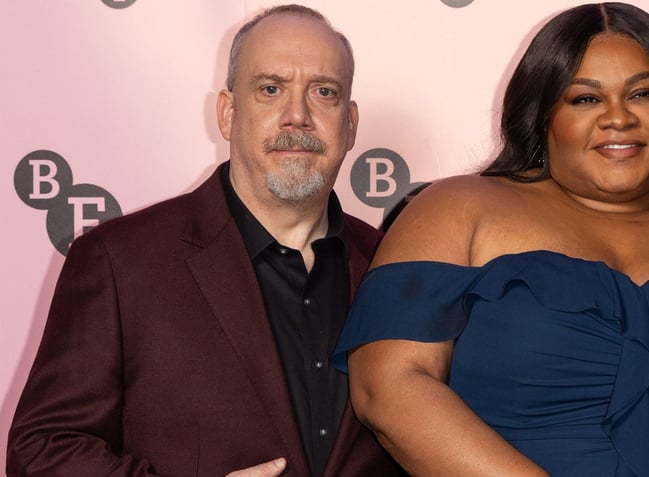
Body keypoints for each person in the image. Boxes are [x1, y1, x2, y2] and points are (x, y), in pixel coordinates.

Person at [333, 3, 649, 476]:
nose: (618, 117)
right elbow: (390, 386)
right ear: (544, 115)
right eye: (585, 98)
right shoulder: (455, 211)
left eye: (643, 93)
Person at [7, 5, 404, 477]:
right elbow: (41, 452)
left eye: (323, 92)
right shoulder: (118, 262)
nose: (297, 115)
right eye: (271, 89)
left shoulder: (394, 262)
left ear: (351, 123)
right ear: (228, 113)